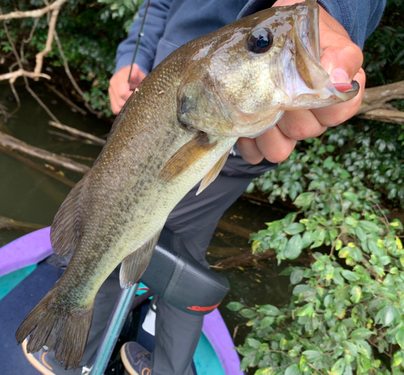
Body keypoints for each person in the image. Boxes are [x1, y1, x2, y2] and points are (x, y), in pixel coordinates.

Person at [30, 0, 385, 374]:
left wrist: (333, 8)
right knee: (136, 238)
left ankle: (81, 357)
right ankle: (124, 357)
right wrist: (132, 58)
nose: (271, 41)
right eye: (262, 42)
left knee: (160, 245)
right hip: (167, 103)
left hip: (221, 133)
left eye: (260, 42)